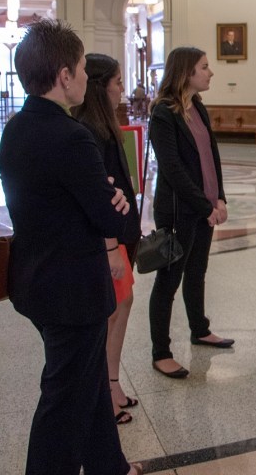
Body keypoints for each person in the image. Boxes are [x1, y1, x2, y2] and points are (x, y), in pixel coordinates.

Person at [0, 19, 142, 475]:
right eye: (81, 68)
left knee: (90, 383)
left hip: (35, 282)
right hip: (72, 292)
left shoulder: (16, 128)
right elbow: (112, 217)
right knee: (63, 402)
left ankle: (110, 468)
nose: (85, 77)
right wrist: (116, 203)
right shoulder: (72, 137)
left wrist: (103, 200)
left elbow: (55, 203)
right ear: (64, 76)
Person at [148, 46, 234, 379]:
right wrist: (204, 205)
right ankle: (161, 352)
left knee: (196, 272)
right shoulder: (163, 114)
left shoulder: (197, 107)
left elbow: (210, 157)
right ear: (186, 72)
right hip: (178, 211)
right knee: (168, 280)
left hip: (204, 207)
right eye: (204, 67)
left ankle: (200, 329)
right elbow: (172, 168)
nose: (210, 72)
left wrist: (221, 198)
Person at [72, 53, 142, 426]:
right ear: (101, 86)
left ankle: (111, 383)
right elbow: (97, 197)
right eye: (117, 80)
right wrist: (111, 246)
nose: (121, 88)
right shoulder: (88, 132)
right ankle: (103, 392)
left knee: (122, 307)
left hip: (121, 237)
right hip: (107, 242)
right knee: (111, 312)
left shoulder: (106, 125)